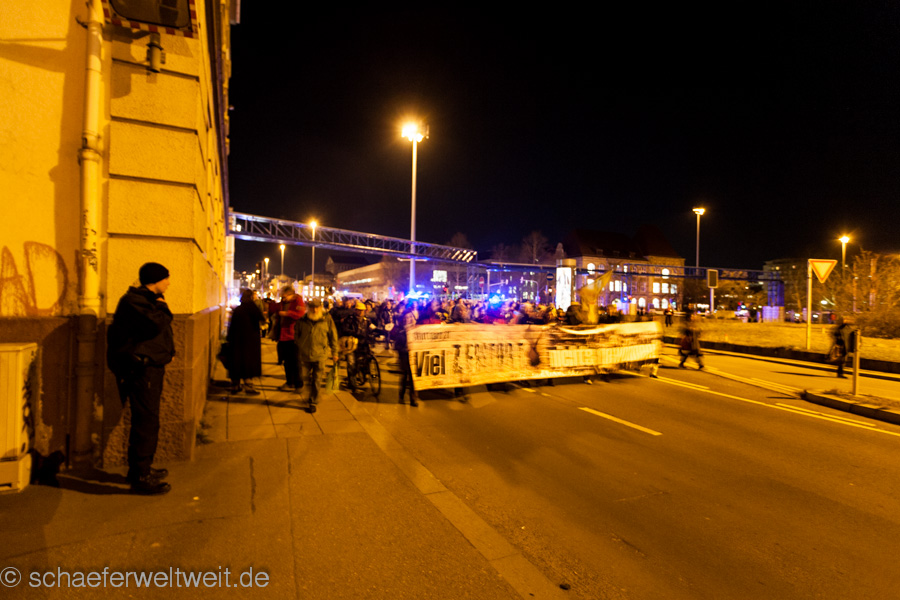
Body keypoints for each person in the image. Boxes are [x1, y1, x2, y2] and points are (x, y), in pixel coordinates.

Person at [106, 262, 175, 495]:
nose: (168, 283)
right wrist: (163, 306)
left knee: (148, 419)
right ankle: (140, 476)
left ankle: (140, 469)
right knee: (146, 421)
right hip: (142, 370)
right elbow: (157, 323)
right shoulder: (136, 302)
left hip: (149, 368)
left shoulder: (144, 300)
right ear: (155, 280)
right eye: (165, 278)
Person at [295, 298, 339, 413]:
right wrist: (300, 346)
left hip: (320, 354)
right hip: (305, 354)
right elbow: (297, 335)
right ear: (308, 308)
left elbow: (333, 336)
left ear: (320, 307)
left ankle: (313, 401)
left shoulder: (327, 319)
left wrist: (335, 352)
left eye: (317, 307)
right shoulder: (302, 320)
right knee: (305, 377)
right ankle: (310, 393)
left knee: (317, 378)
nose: (314, 310)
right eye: (312, 307)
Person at [226, 289, 265, 394]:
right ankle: (248, 385)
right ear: (251, 297)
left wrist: (229, 338)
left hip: (237, 340)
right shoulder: (253, 308)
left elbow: (232, 325)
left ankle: (235, 384)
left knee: (237, 361)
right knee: (249, 362)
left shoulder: (238, 309)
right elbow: (262, 318)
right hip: (251, 341)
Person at [276, 285, 305, 392]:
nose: (283, 299)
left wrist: (287, 313)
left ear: (291, 294)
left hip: (293, 335)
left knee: (296, 361)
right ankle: (289, 382)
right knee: (287, 361)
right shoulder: (284, 302)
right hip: (283, 335)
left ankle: (299, 384)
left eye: (285, 297)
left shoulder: (298, 301)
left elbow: (300, 314)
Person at [392, 302, 420, 406]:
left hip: (414, 356)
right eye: (407, 318)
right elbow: (397, 346)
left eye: (410, 317)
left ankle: (413, 399)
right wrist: (405, 349)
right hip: (404, 356)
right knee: (404, 377)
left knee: (413, 378)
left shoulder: (417, 330)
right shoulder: (400, 331)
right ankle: (401, 396)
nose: (408, 319)